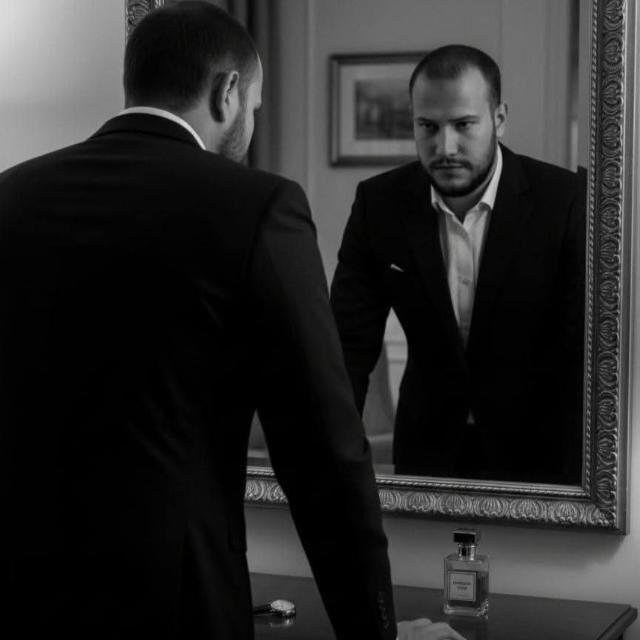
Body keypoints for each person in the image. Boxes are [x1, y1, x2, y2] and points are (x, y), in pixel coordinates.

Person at [0, 3, 464, 640]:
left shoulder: (12, 196)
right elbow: (323, 454)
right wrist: (374, 632)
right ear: (228, 92)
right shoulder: (258, 206)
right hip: (177, 603)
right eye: (256, 106)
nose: (251, 122)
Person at [331, 45, 585, 483]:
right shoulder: (379, 204)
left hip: (541, 460)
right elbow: (346, 347)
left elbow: (585, 355)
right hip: (426, 454)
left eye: (463, 125)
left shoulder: (566, 201)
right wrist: (334, 462)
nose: (444, 147)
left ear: (499, 119)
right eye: (427, 126)